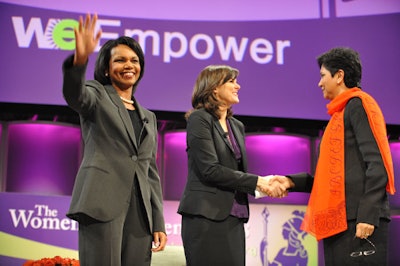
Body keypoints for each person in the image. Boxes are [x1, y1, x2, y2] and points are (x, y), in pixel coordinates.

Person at [62, 14, 167, 265]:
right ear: (107, 70)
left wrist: (158, 220)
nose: (128, 65)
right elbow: (74, 95)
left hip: (139, 213)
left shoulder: (148, 117)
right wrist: (80, 60)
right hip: (102, 202)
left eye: (134, 60)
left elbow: (150, 171)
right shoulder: (97, 95)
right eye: (120, 60)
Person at [275, 47, 395, 265]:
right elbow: (332, 179)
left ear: (339, 76)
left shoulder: (359, 105)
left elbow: (378, 166)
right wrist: (292, 182)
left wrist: (367, 216)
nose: (319, 83)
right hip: (341, 224)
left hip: (359, 223)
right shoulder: (339, 115)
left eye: (323, 76)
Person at [177, 65, 290, 266]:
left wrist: (262, 186)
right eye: (231, 81)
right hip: (204, 217)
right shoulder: (199, 119)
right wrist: (259, 182)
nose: (238, 86)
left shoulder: (237, 126)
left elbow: (236, 172)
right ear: (213, 88)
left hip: (234, 216)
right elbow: (209, 169)